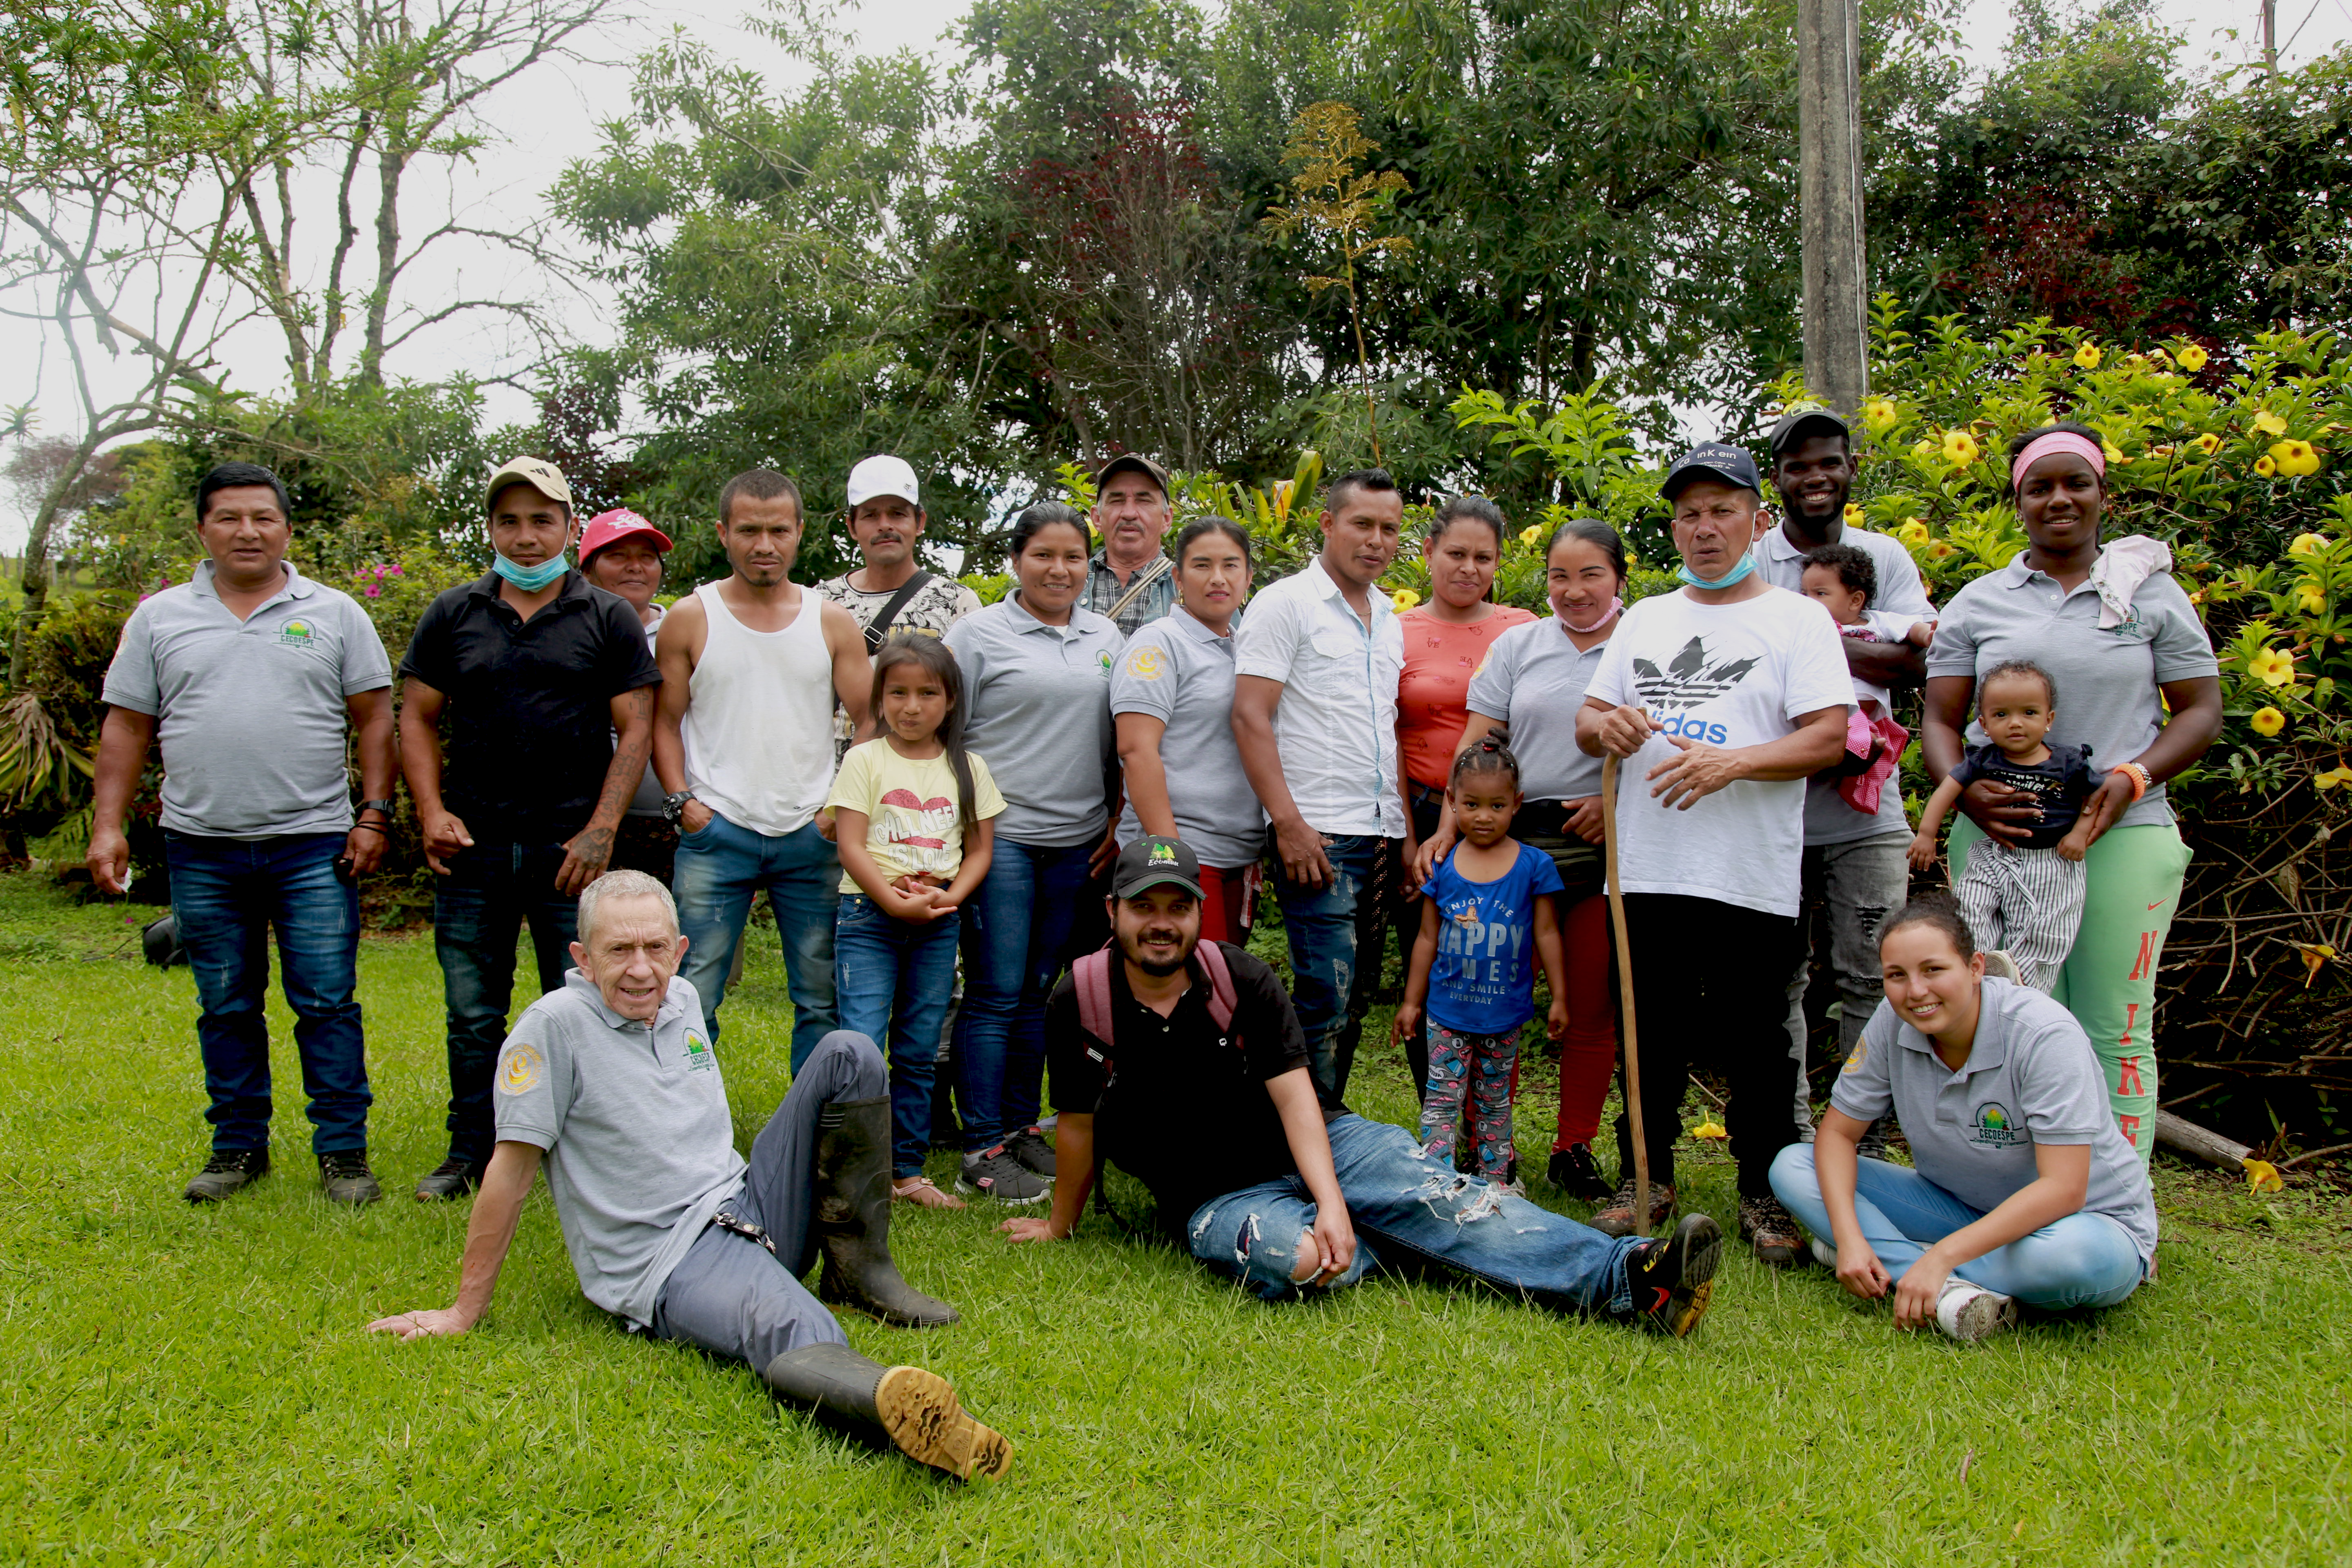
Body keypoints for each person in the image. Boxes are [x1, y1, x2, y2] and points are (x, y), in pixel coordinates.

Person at [365, 871, 1011, 1480]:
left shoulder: (682, 997)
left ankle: (862, 1272)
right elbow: (508, 1176)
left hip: (745, 1200)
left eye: (654, 947)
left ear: (678, 950)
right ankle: (896, 1412)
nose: (640, 969)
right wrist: (463, 1309)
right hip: (671, 1256)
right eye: (618, 950)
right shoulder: (552, 1031)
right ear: (581, 958)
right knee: (792, 1323)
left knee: (851, 1053)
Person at [998, 836, 1722, 1338]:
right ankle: (1393, 1232)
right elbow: (1078, 1123)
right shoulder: (1080, 999)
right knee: (1305, 1261)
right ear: (1113, 913)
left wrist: (1335, 1200)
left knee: (1444, 1196)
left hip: (1324, 1146)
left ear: (1196, 913)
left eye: (1177, 907)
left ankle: (1633, 1278)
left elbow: (1295, 1097)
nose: (1161, 925)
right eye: (1143, 907)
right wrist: (1060, 1225)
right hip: (1219, 1197)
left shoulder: (1239, 977)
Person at [90, 461, 396, 1205]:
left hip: (313, 844)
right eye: (229, 517)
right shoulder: (161, 618)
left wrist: (373, 815)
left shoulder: (334, 613)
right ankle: (236, 1149)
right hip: (201, 846)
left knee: (326, 1002)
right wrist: (108, 827)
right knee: (225, 1004)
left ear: (287, 529)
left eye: (263, 517)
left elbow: (377, 718)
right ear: (202, 529)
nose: (247, 531)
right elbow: (127, 726)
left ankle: (344, 1154)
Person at [1577, 441, 1853, 1264]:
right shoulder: (1647, 619)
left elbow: (1831, 738)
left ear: (1758, 522)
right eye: (1690, 513)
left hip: (1750, 869)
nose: (1705, 528)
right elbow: (1590, 719)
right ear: (1675, 525)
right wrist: (1611, 727)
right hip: (1648, 863)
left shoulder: (1798, 618)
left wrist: (1735, 761)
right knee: (1648, 1027)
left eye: (1723, 510)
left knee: (1757, 1038)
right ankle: (1646, 1176)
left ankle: (1766, 1191)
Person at [1923, 423, 2223, 1160]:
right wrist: (1963, 796)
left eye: (2075, 483)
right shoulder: (1979, 603)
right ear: (2017, 500)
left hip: (2126, 835)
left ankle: (2118, 1211)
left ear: (2101, 495)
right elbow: (1937, 716)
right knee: (2002, 1011)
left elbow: (2202, 710)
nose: (2059, 499)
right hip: (1999, 837)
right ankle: (2014, 1190)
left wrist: (2133, 777)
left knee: (2113, 1026)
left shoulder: (2150, 596)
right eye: (2040, 487)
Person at [399, 457, 661, 1200]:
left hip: (568, 850)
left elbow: (635, 728)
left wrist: (602, 828)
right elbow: (415, 719)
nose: (524, 535)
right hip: (472, 846)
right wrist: (429, 811)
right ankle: (470, 1152)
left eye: (541, 520)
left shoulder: (607, 616)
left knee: (579, 1005)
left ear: (570, 528)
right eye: (509, 521)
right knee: (474, 1011)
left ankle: (579, 1156)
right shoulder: (453, 613)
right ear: (489, 528)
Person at [1770, 894, 2157, 1341]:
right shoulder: (1892, 1023)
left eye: (1934, 970)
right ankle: (1937, 1279)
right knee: (1793, 1166)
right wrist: (1850, 1237)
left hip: (2082, 1223)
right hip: (1960, 1207)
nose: (1916, 992)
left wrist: (1943, 1256)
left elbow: (2065, 1189)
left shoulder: (2045, 1035)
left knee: (2075, 1260)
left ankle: (1914, 1265)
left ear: (1975, 968)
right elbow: (1837, 1134)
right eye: (1897, 975)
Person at [1426, 518, 1630, 1200]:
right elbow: (1479, 740)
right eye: (1558, 576)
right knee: (1503, 997)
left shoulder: (1646, 640)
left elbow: (1667, 740)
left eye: (1590, 575)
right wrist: (1449, 825)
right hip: (1517, 841)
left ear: (1620, 579)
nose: (1573, 591)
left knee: (1593, 1006)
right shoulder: (1520, 645)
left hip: (1609, 843)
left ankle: (1574, 1147)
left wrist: (1616, 801)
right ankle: (1493, 1145)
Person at [1761, 405, 1938, 1140]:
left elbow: (1918, 660)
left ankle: (1864, 1130)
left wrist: (1803, 644)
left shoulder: (1884, 556)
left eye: (1828, 461)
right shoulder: (1753, 559)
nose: (1815, 477)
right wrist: (1831, 647)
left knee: (1877, 971)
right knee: (1781, 983)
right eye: (1798, 465)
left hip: (1869, 812)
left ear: (1850, 469)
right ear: (1776, 479)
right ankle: (1794, 1133)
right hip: (1772, 807)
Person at [655, 469, 872, 1069]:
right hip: (717, 832)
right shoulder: (689, 619)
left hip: (812, 834)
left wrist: (837, 808)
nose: (764, 545)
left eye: (779, 530)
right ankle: (684, 1135)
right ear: (724, 534)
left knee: (822, 996)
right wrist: (684, 806)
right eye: (749, 530)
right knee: (691, 994)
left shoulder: (830, 621)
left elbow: (871, 719)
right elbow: (663, 722)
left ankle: (816, 1134)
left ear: (800, 532)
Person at [943, 501, 1125, 1204]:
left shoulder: (1104, 635)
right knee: (993, 990)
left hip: (1076, 841)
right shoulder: (979, 633)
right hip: (1003, 839)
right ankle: (982, 1145)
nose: (1059, 569)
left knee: (1036, 993)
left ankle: (1020, 1130)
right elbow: (943, 734)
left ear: (1090, 564)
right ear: (1017, 560)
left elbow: (1115, 739)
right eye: (1043, 555)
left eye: (1073, 557)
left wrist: (1113, 817)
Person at [1232, 469, 1408, 1102]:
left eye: (1389, 528)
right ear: (1328, 524)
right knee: (1322, 999)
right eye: (1363, 524)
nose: (1377, 540)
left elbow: (1387, 730)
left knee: (1357, 998)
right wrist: (1289, 825)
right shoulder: (1287, 604)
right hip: (1319, 835)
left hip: (1380, 835)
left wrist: (1403, 835)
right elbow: (1250, 716)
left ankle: (1327, 1130)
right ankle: (1292, 1151)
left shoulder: (1389, 616)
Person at [828, 634, 1005, 1210]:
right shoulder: (864, 760)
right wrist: (892, 899)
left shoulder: (968, 767)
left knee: (918, 1047)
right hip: (867, 917)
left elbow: (980, 850)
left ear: (950, 700)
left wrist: (947, 896)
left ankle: (905, 1170)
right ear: (879, 700)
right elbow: (851, 845)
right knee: (859, 1042)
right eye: (898, 693)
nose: (911, 707)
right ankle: (848, 1163)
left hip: (936, 922)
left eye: (927, 693)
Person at [1390, 496, 1535, 1092]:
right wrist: (1407, 834)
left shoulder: (1523, 628)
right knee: (1430, 963)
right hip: (1420, 810)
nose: (1468, 568)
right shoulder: (1393, 631)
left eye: (1483, 557)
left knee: (1496, 966)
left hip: (1499, 818)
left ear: (1499, 562)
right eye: (1455, 553)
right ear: (1428, 553)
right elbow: (1389, 737)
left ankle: (1489, 1120)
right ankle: (1439, 1117)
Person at [1392, 740, 1567, 1190]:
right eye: (1471, 804)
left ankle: (1495, 1186)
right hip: (1448, 1013)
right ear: (1452, 801)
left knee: (1494, 1102)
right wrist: (1411, 1003)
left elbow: (1547, 934)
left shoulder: (1534, 867)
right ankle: (1435, 1183)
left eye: (1497, 805)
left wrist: (1560, 998)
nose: (1484, 816)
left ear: (1517, 805)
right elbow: (1427, 938)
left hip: (1503, 1015)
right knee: (1441, 1102)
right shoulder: (1443, 865)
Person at [1111, 515, 1262, 944]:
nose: (1218, 579)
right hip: (1182, 852)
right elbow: (1137, 750)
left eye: (1231, 565)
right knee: (1195, 991)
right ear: (1178, 576)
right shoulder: (1159, 644)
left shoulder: (1248, 648)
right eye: (1201, 565)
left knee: (1223, 992)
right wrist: (1172, 859)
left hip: (1239, 855)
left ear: (1249, 575)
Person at [1909, 661, 2103, 991]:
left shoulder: (2069, 762)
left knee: (2046, 929)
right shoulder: (1982, 760)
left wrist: (2080, 833)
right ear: (1984, 724)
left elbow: (2097, 798)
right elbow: (1946, 793)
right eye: (2001, 715)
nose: (2015, 724)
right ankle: (1973, 964)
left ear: (2049, 720)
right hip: (1994, 853)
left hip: (2052, 861)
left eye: (2029, 713)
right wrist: (1927, 835)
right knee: (1970, 905)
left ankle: (2021, 986)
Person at [815, 454, 984, 762]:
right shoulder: (821, 602)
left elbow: (971, 711)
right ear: (852, 526)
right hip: (828, 786)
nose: (885, 526)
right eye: (870, 516)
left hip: (922, 787)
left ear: (919, 521)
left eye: (897, 514)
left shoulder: (958, 603)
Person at [581, 507, 681, 883]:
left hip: (679, 820)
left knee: (680, 936)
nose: (634, 567)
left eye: (646, 557)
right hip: (593, 820)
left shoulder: (686, 632)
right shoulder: (570, 635)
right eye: (618, 556)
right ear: (588, 568)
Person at [1082, 454, 1180, 635]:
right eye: (1117, 501)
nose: (1129, 513)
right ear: (1097, 518)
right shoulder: (1068, 582)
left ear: (1167, 519)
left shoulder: (1192, 587)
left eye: (1144, 501)